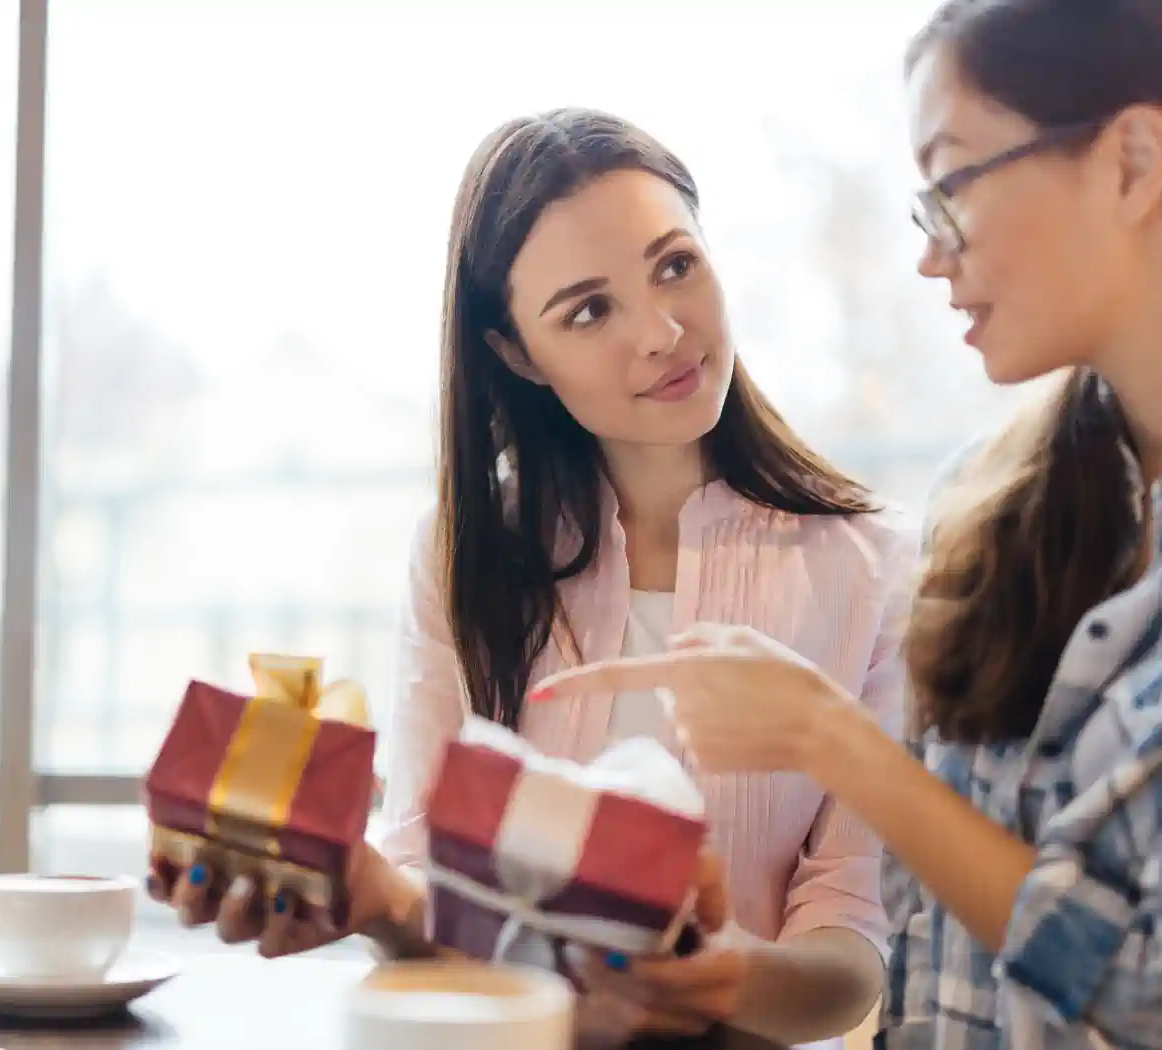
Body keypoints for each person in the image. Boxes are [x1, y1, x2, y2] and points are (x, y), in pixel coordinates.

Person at [149, 107, 916, 1048]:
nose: (664, 332)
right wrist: (374, 899)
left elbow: (850, 948)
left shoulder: (873, 568)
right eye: (590, 310)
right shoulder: (464, 556)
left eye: (676, 264)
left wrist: (716, 977)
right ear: (515, 353)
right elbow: (424, 896)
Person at [532, 5, 1162, 1050]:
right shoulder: (989, 509)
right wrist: (724, 974)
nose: (927, 257)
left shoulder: (864, 553)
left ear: (1131, 161)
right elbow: (927, 963)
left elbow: (1141, 982)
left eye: (951, 186)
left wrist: (824, 738)